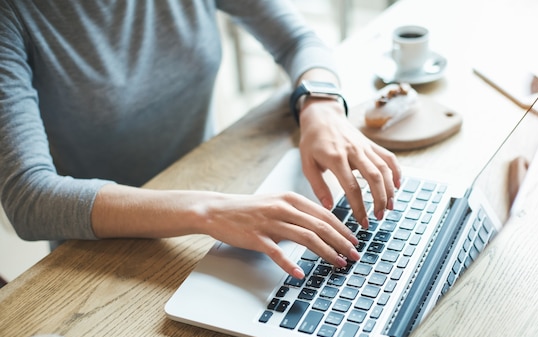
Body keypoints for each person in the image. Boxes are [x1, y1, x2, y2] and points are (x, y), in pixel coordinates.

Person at [0, 0, 401, 279]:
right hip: (100, 253)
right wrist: (207, 210)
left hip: (222, 197)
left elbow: (297, 41)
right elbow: (29, 198)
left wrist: (321, 104)